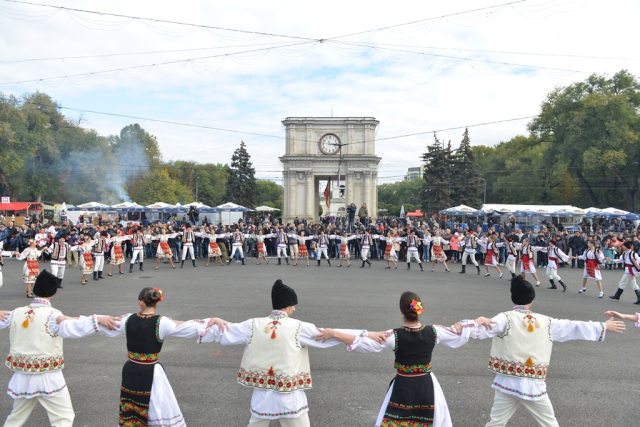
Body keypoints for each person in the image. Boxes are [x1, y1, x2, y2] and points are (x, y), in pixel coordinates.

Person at [195, 279, 378, 426]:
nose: (295, 309)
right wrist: (366, 333)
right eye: (293, 305)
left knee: (257, 422)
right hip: (288, 393)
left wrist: (213, 320)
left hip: (263, 392)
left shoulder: (252, 324)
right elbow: (329, 334)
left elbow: (225, 331)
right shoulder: (298, 327)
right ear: (287, 306)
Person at [472, 275, 625, 427]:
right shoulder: (546, 322)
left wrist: (468, 325)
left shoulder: (504, 318)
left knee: (496, 423)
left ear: (513, 299)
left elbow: (484, 328)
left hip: (506, 382)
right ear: (532, 300)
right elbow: (573, 327)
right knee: (549, 423)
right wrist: (602, 327)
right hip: (532, 384)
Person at [318, 291, 479, 427]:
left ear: (401, 311)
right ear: (420, 309)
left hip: (403, 384)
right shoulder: (435, 331)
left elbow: (364, 344)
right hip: (427, 384)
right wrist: (477, 321)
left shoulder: (394, 335)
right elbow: (462, 330)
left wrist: (334, 333)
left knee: (397, 420)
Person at [85, 287, 226, 426]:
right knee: (155, 405)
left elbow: (109, 324)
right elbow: (186, 327)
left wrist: (95, 319)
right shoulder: (162, 322)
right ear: (157, 303)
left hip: (131, 370)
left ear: (140, 302)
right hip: (151, 371)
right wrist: (211, 320)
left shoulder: (128, 319)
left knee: (132, 404)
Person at [0, 270, 119, 427]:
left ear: (35, 289)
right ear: (53, 292)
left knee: (16, 416)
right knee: (63, 417)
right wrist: (96, 320)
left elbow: (65, 321)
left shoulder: (16, 313)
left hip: (22, 374)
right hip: (47, 375)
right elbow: (73, 326)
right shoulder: (53, 315)